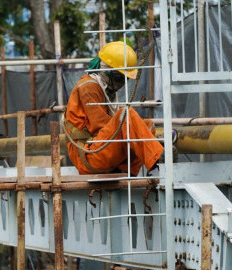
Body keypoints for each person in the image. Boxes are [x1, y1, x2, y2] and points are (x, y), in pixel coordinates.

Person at [64, 41, 164, 175]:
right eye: (118, 78)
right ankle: (157, 157)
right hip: (89, 154)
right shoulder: (89, 87)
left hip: (100, 149)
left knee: (148, 126)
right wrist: (125, 125)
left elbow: (111, 130)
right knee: (125, 115)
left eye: (125, 79)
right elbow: (99, 127)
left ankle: (125, 169)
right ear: (106, 72)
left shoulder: (105, 89)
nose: (121, 84)